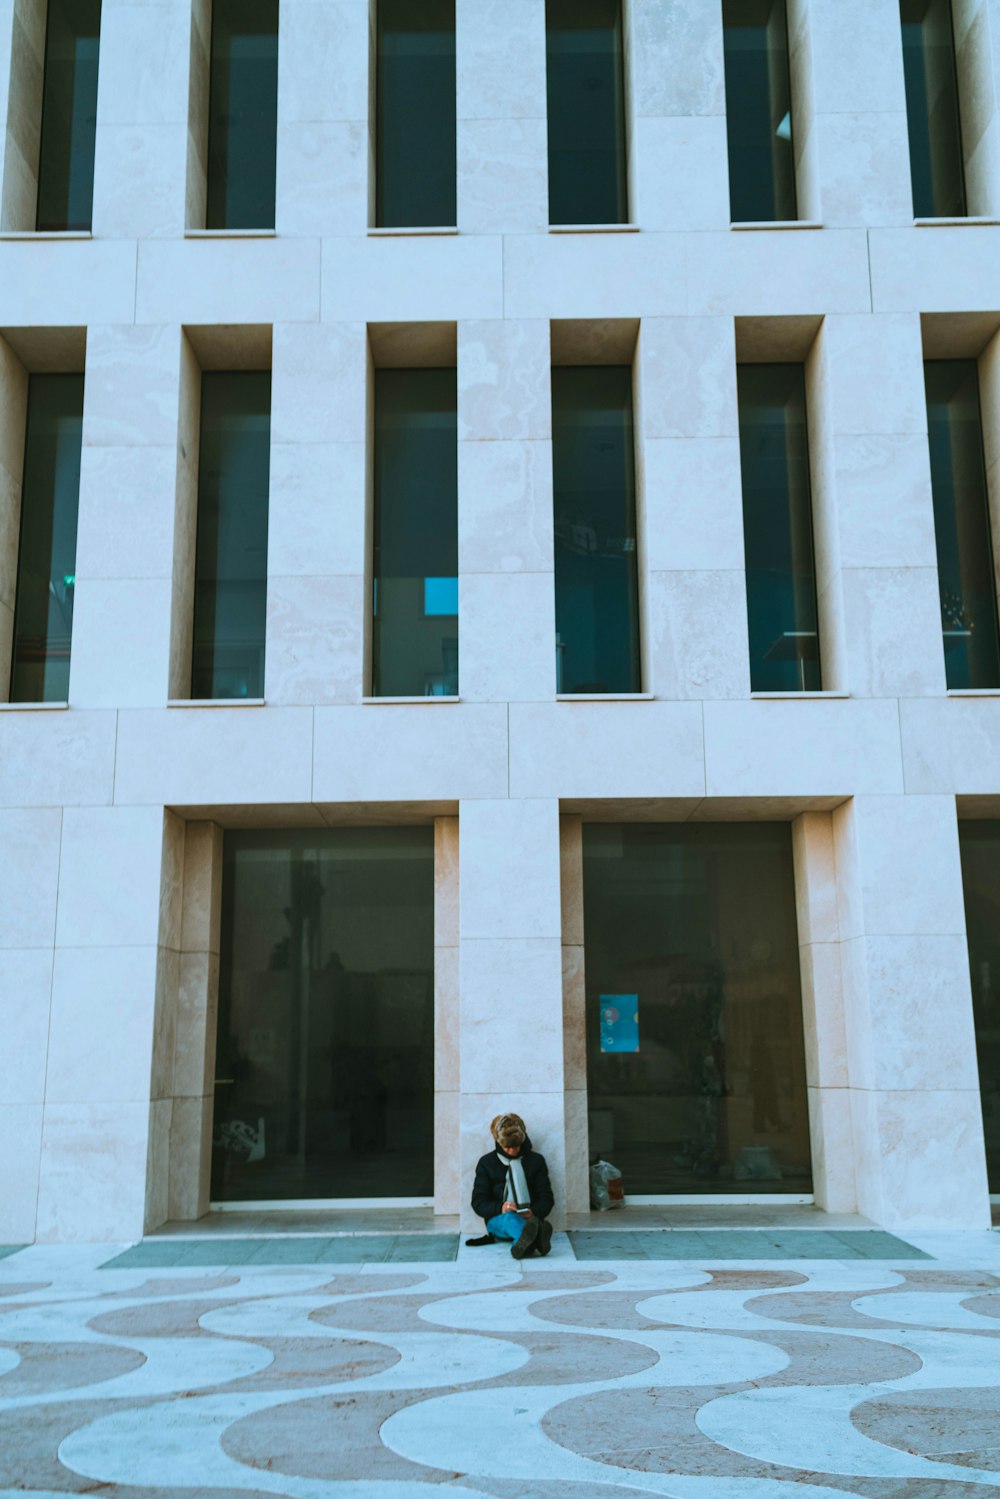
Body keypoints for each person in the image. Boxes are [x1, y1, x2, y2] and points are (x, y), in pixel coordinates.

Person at [469, 1112, 554, 1258]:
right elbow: (478, 1202)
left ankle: (522, 1245)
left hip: (529, 1218)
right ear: (499, 1143)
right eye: (507, 1147)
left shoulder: (536, 1161)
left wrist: (533, 1211)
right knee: (510, 1219)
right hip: (499, 1220)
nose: (512, 1151)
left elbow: (547, 1198)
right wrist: (501, 1208)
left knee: (531, 1222)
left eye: (516, 1146)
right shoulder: (487, 1163)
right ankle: (537, 1239)